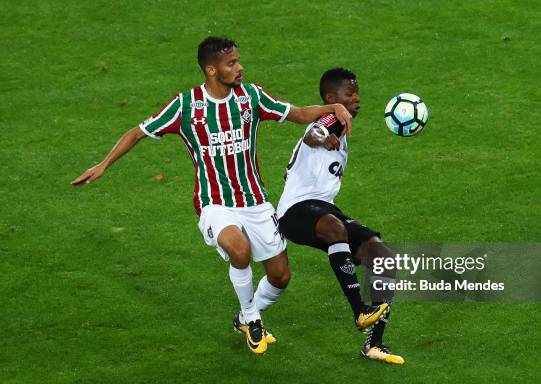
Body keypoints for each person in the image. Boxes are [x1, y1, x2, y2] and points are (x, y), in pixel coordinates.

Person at [71, 37, 352, 355]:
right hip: (214, 202)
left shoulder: (251, 97)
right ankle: (251, 319)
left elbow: (298, 113)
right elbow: (138, 132)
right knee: (239, 250)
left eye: (238, 60)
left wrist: (332, 107)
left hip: (255, 201)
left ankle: (244, 316)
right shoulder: (186, 106)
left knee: (280, 276)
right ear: (211, 69)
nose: (240, 67)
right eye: (231, 63)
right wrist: (104, 164)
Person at [277, 68, 404, 364]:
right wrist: (323, 137)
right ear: (332, 99)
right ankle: (359, 309)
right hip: (295, 210)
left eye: (358, 92)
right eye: (350, 94)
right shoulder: (332, 119)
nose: (357, 98)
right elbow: (313, 133)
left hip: (323, 209)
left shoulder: (342, 134)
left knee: (383, 256)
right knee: (335, 229)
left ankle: (374, 344)